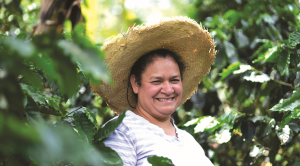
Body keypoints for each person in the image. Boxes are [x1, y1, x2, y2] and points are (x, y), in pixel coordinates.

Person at [91, 16, 216, 166]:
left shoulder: (189, 140)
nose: (168, 89)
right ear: (135, 83)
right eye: (157, 81)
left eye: (174, 80)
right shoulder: (123, 131)